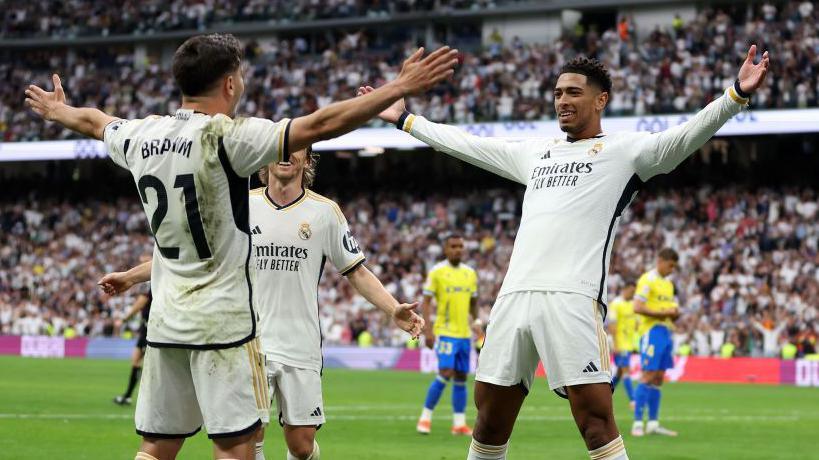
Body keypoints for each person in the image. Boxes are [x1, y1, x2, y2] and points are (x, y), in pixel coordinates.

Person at [28, 33, 457, 460]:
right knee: (236, 449)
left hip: (165, 322)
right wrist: (397, 88)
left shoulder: (142, 134)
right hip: (223, 323)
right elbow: (321, 124)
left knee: (156, 447)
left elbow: (94, 121)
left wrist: (56, 109)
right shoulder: (229, 137)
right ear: (230, 84)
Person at [358, 45, 769, 459]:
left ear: (600, 99)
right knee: (489, 423)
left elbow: (685, 136)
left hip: (572, 298)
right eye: (557, 93)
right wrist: (406, 121)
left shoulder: (626, 152)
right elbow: (467, 144)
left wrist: (735, 95)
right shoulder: (536, 153)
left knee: (595, 423)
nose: (562, 101)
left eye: (573, 92)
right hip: (514, 297)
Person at [106, 146, 425, 460]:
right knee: (250, 436)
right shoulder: (240, 205)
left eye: (296, 149)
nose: (286, 155)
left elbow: (356, 271)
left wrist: (392, 308)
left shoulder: (325, 212)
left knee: (301, 445)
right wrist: (132, 277)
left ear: (307, 159)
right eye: (279, 149)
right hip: (250, 342)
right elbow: (192, 252)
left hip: (301, 343)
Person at [416, 234, 479, 436]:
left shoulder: (470, 273)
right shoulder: (437, 272)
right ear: (446, 249)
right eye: (453, 246)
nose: (458, 249)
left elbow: (474, 302)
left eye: (460, 246)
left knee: (461, 377)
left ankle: (459, 424)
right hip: (445, 332)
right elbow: (426, 301)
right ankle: (425, 418)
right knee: (445, 372)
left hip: (464, 334)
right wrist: (428, 330)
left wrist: (476, 322)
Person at [631, 248, 680, 437]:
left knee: (659, 377)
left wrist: (674, 314)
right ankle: (637, 423)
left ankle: (652, 423)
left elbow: (670, 309)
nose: (672, 270)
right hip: (651, 332)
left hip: (666, 331)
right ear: (660, 261)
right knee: (648, 375)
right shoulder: (647, 279)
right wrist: (664, 313)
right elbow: (637, 306)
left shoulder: (668, 284)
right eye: (670, 265)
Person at [113, 255, 153, 406]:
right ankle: (129, 396)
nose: (141, 264)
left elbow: (140, 303)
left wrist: (124, 319)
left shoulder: (152, 281)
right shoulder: (149, 282)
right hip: (146, 326)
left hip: (151, 326)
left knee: (142, 361)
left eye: (144, 262)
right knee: (136, 360)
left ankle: (134, 396)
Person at [607, 280, 638, 409]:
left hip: (629, 343)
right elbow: (612, 325)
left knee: (619, 373)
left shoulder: (632, 303)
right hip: (620, 343)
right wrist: (616, 344)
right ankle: (633, 400)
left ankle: (606, 394)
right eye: (631, 291)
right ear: (625, 289)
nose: (633, 294)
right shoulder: (616, 304)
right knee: (626, 371)